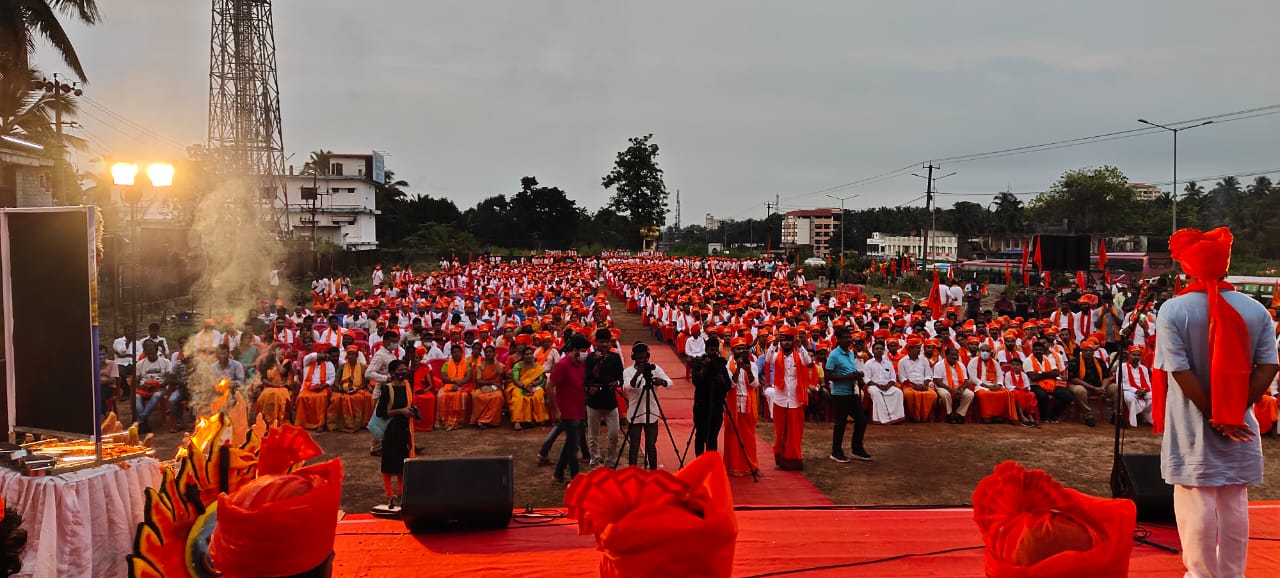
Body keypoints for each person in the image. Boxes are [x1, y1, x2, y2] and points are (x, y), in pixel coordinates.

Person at [1153, 228, 1279, 578]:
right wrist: (1235, 411)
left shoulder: (1173, 309)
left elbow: (1178, 369)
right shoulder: (1256, 309)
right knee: (1234, 501)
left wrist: (1215, 414)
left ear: (1188, 268)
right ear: (1225, 265)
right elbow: (1269, 364)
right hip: (1240, 422)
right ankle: (1231, 574)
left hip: (1195, 423)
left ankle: (1202, 575)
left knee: (1197, 503)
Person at [764, 327, 811, 470]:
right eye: (784, 341)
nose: (786, 344)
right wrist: (774, 343)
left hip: (796, 399)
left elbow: (807, 361)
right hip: (780, 398)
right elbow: (768, 359)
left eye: (789, 341)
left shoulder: (799, 355)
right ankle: (780, 459)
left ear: (793, 342)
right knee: (780, 431)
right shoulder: (776, 354)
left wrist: (801, 346)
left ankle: (793, 460)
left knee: (795, 431)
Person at [622, 342, 671, 470]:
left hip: (652, 412)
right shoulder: (627, 371)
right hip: (635, 413)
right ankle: (632, 472)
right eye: (639, 358)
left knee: (651, 445)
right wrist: (638, 373)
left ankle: (653, 472)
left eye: (644, 358)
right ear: (634, 358)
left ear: (648, 356)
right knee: (634, 445)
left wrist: (662, 382)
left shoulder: (655, 369)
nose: (642, 361)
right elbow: (629, 386)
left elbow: (669, 382)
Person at [375, 359, 415, 511]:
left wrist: (412, 412)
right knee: (389, 463)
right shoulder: (387, 389)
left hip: (404, 428)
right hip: (390, 429)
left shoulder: (406, 387)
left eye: (405, 369)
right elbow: (381, 413)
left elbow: (409, 405)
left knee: (402, 462)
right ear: (392, 373)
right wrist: (401, 411)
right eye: (400, 370)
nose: (403, 373)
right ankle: (389, 494)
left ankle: (402, 492)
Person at [551, 335, 591, 484]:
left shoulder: (580, 364)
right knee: (573, 446)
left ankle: (558, 474)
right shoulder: (563, 365)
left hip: (579, 408)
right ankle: (575, 478)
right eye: (582, 350)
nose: (585, 353)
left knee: (570, 443)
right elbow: (550, 387)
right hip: (568, 410)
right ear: (574, 350)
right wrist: (556, 409)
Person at [826, 328, 870, 462]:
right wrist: (847, 377)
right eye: (845, 337)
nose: (848, 340)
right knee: (841, 423)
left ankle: (857, 449)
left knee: (862, 420)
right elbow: (828, 376)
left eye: (849, 337)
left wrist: (857, 376)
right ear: (838, 339)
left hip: (852, 391)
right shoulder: (834, 355)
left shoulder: (851, 354)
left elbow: (851, 369)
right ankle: (836, 451)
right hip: (840, 394)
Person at [584, 329, 624, 466]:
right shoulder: (589, 358)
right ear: (596, 343)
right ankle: (595, 462)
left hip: (610, 402)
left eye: (607, 342)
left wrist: (617, 383)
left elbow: (621, 378)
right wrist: (591, 387)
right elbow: (587, 378)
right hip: (593, 402)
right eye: (602, 342)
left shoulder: (615, 357)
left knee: (613, 434)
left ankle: (610, 463)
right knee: (593, 436)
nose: (605, 345)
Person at [723, 337, 761, 474]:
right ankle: (733, 466)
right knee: (733, 437)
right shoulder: (727, 366)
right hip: (733, 405)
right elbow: (730, 385)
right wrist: (738, 369)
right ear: (733, 351)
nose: (741, 351)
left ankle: (752, 466)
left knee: (749, 438)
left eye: (743, 348)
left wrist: (748, 370)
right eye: (738, 348)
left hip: (747, 405)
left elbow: (755, 384)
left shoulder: (753, 364)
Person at [691, 336, 732, 456]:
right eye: (711, 350)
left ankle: (710, 464)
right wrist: (705, 367)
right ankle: (699, 462)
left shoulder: (720, 365)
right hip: (701, 405)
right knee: (700, 435)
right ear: (706, 350)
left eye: (715, 350)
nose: (713, 353)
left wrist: (721, 378)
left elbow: (728, 386)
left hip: (716, 405)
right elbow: (696, 381)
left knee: (712, 437)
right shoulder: (699, 363)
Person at [365, 330, 400, 456]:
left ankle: (394, 444)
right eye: (392, 342)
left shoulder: (390, 354)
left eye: (396, 342)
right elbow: (368, 373)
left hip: (391, 390)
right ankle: (375, 447)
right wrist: (386, 379)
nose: (395, 344)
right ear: (385, 341)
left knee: (391, 420)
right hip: (381, 391)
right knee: (380, 420)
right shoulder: (380, 355)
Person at [327, 345, 373, 433]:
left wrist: (357, 389)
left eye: (353, 354)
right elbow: (336, 381)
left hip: (358, 389)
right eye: (349, 355)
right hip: (343, 389)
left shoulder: (363, 367)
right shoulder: (342, 366)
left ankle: (359, 424)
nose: (351, 356)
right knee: (336, 399)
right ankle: (335, 424)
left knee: (358, 398)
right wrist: (341, 389)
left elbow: (365, 382)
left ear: (357, 356)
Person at [294, 344, 337, 430]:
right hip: (307, 387)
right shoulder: (307, 361)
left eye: (325, 353)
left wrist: (322, 386)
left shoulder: (329, 364)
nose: (324, 355)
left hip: (323, 387)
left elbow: (332, 379)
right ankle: (302, 423)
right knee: (301, 397)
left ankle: (320, 424)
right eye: (321, 353)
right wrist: (322, 355)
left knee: (321, 398)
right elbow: (312, 356)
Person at [132, 340, 170, 434]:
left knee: (157, 395)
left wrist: (158, 386)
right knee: (136, 396)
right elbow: (136, 381)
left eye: (152, 350)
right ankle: (144, 424)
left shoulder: (165, 362)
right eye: (148, 351)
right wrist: (142, 386)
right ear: (145, 352)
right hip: (145, 388)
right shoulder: (140, 364)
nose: (151, 353)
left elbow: (168, 379)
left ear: (157, 350)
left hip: (160, 387)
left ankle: (141, 419)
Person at [897, 337, 937, 422]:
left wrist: (924, 385)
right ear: (910, 349)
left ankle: (924, 416)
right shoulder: (902, 361)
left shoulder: (924, 360)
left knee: (932, 394)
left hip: (923, 385)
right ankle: (913, 416)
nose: (920, 350)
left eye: (920, 347)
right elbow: (902, 378)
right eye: (917, 348)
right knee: (909, 395)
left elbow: (928, 375)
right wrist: (914, 385)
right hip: (909, 386)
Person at [511, 346, 551, 431]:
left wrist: (532, 385)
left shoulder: (538, 366)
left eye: (530, 354)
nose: (529, 356)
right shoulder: (518, 365)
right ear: (523, 356)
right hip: (519, 386)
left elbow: (541, 380)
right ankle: (517, 421)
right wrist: (523, 387)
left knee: (539, 394)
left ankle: (538, 419)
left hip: (533, 386)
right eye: (526, 354)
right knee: (518, 396)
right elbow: (515, 380)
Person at [864, 341, 904, 424]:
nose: (879, 350)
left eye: (881, 349)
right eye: (877, 349)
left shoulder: (888, 363)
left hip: (887, 386)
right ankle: (881, 418)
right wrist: (878, 385)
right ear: (873, 350)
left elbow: (893, 378)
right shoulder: (868, 363)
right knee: (876, 392)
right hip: (874, 386)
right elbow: (866, 379)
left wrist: (888, 385)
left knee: (898, 392)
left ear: (884, 351)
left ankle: (896, 417)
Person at [933, 347, 975, 424]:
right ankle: (949, 414)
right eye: (952, 355)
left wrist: (961, 389)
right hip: (944, 387)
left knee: (970, 394)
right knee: (945, 394)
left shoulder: (961, 365)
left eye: (956, 355)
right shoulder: (939, 365)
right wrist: (950, 389)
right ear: (946, 355)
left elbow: (966, 381)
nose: (954, 357)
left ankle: (959, 414)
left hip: (958, 388)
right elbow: (938, 381)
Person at [436, 344, 472, 430]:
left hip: (463, 385)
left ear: (461, 353)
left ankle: (459, 421)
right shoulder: (446, 364)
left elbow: (469, 376)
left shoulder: (467, 363)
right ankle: (443, 421)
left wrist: (460, 383)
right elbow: (444, 377)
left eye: (458, 352)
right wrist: (454, 381)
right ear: (451, 354)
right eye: (454, 352)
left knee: (463, 396)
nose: (456, 354)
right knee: (441, 396)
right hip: (449, 384)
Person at [470, 345, 506, 428]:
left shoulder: (499, 365)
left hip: (496, 388)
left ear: (494, 353)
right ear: (484, 354)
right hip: (483, 387)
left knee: (497, 397)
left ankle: (490, 421)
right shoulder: (480, 366)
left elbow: (501, 372)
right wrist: (492, 382)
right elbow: (479, 381)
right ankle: (480, 419)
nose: (488, 354)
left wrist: (495, 360)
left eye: (490, 352)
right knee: (476, 396)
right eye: (487, 352)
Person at [1118, 345, 1153, 428]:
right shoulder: (1121, 367)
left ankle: (1149, 418)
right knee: (1131, 399)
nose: (1136, 357)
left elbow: (1148, 383)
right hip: (1128, 390)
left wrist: (1144, 390)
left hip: (1143, 390)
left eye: (1138, 355)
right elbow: (1120, 384)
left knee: (1155, 397)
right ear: (1128, 355)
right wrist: (1135, 391)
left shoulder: (1144, 368)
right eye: (1133, 355)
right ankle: (1133, 422)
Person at [254, 347, 291, 426]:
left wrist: (277, 361)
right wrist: (274, 385)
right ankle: (268, 420)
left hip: (282, 386)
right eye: (278, 350)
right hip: (269, 386)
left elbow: (283, 373)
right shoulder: (265, 363)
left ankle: (278, 419)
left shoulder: (286, 362)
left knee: (278, 395)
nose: (281, 351)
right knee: (267, 394)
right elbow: (264, 379)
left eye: (281, 350)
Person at [113, 325, 137, 401]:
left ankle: (138, 392)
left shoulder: (137, 343)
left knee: (140, 372)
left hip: (133, 363)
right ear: (125, 331)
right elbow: (121, 352)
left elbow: (138, 355)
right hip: (121, 363)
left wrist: (125, 355)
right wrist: (128, 343)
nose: (130, 332)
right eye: (128, 330)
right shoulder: (118, 341)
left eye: (132, 331)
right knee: (119, 373)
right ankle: (126, 391)